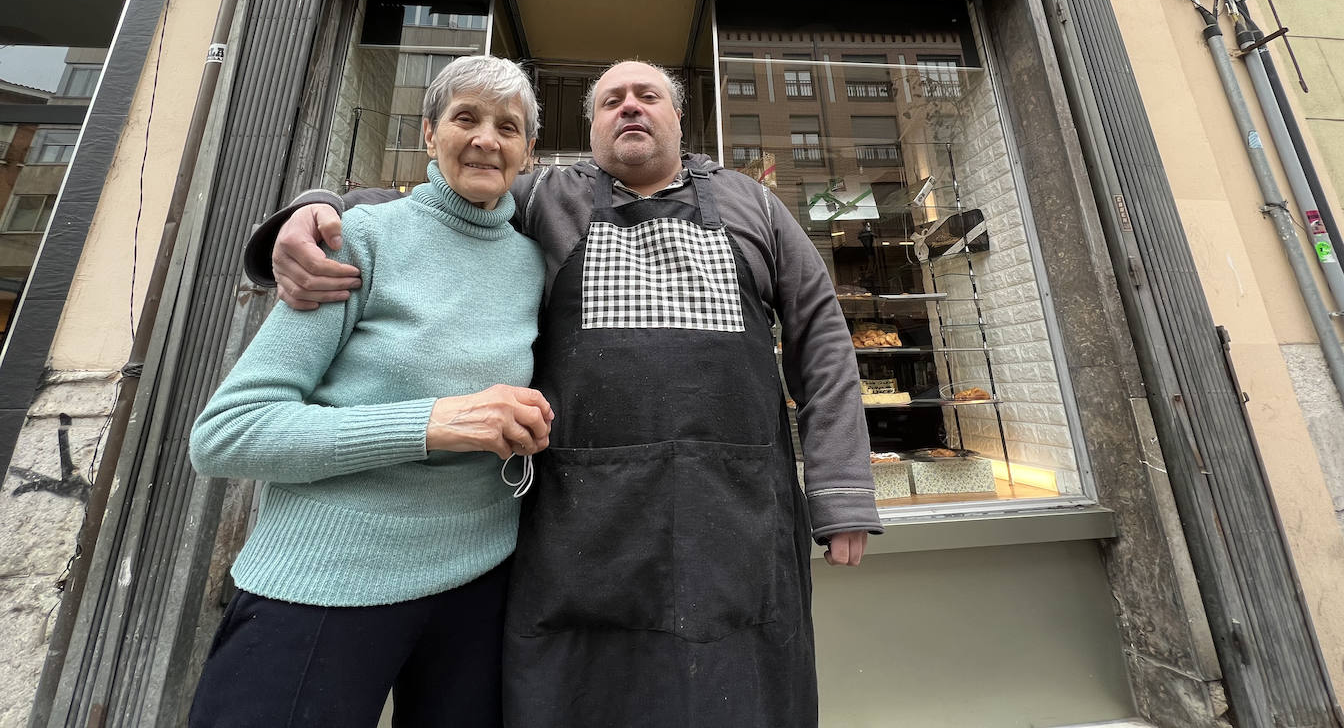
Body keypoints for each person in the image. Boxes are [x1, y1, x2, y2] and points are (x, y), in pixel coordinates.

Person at [250, 60, 882, 727]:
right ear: (591, 126)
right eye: (612, 99)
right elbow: (429, 204)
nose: (630, 106)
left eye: (648, 96)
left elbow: (823, 338)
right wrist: (319, 208)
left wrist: (840, 492)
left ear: (678, 119)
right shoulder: (545, 194)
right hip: (590, 523)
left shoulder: (755, 204)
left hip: (737, 517)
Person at [189, 56, 552, 728]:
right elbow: (226, 433)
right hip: (326, 577)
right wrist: (435, 421)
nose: (486, 139)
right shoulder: (358, 236)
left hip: (483, 582)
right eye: (465, 117)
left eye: (509, 126)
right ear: (428, 133)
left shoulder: (535, 263)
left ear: (528, 153)